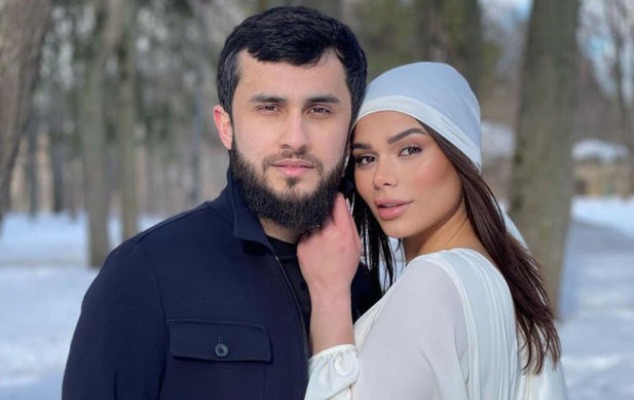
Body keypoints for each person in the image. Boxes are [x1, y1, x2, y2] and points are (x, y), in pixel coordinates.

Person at [62, 6, 381, 400]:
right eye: (269, 108)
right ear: (226, 127)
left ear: (350, 131)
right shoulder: (145, 274)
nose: (295, 138)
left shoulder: (362, 287)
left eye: (319, 110)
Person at [298, 62, 567, 399]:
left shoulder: (433, 282)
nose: (381, 178)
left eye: (409, 150)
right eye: (366, 158)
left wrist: (329, 296)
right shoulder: (496, 270)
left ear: (461, 155)